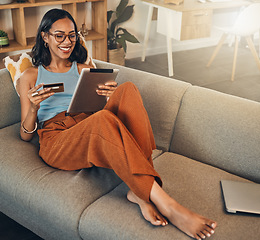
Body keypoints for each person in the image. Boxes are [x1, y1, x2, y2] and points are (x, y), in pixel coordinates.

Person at [19, 8, 217, 240]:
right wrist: (33, 108)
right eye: (59, 35)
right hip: (57, 139)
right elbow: (25, 135)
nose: (67, 42)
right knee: (102, 120)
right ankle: (167, 203)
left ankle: (139, 192)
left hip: (86, 122)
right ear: (45, 36)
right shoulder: (31, 76)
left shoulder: (84, 70)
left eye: (72, 35)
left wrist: (107, 98)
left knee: (127, 89)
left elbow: (100, 118)